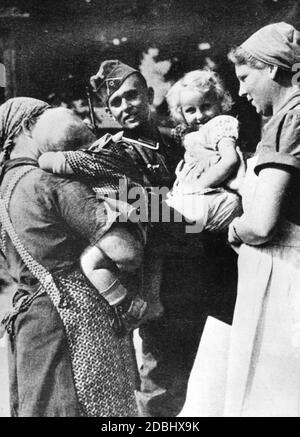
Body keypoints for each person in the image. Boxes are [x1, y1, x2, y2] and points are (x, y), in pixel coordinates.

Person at [89, 59, 237, 416]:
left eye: (132, 96)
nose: (126, 107)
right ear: (108, 110)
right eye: (116, 103)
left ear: (149, 94)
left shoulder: (182, 137)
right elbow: (145, 214)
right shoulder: (114, 154)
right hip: (166, 283)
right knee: (162, 389)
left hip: (216, 272)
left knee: (233, 371)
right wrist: (207, 212)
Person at [181, 21, 300, 417]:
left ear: (272, 68)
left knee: (268, 396)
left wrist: (233, 227)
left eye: (246, 77)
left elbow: (263, 224)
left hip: (282, 268)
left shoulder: (289, 119)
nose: (243, 90)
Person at [0, 97, 139, 417]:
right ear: (27, 127)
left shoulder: (6, 186)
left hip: (30, 325)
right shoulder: (51, 181)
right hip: (73, 321)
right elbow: (125, 251)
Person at [166, 70, 241, 232]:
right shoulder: (194, 133)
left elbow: (230, 159)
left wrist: (196, 187)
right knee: (162, 218)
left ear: (220, 103)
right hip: (201, 195)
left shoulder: (219, 124)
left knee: (165, 220)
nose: (199, 116)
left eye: (206, 106)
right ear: (181, 113)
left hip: (217, 194)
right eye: (191, 110)